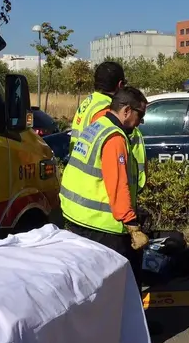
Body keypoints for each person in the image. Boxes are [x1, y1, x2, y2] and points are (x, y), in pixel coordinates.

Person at [60, 87, 150, 292]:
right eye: (140, 115)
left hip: (77, 218)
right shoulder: (114, 138)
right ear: (127, 111)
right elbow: (118, 185)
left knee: (92, 284)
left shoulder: (96, 127)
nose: (140, 122)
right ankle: (130, 314)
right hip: (102, 226)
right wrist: (132, 226)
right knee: (124, 283)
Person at [70, 61, 147, 190]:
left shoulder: (90, 102)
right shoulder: (107, 109)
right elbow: (111, 150)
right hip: (100, 185)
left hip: (84, 176)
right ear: (120, 85)